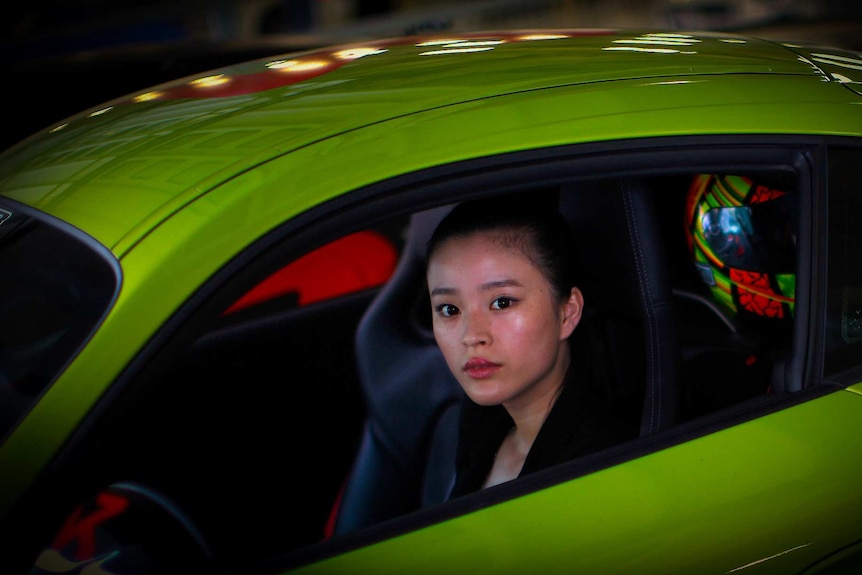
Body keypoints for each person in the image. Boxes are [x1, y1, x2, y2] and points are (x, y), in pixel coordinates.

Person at [425, 195, 638, 497]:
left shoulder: (602, 471)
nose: (471, 335)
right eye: (449, 309)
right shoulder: (481, 419)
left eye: (502, 302)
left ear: (568, 312)